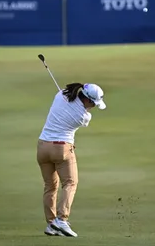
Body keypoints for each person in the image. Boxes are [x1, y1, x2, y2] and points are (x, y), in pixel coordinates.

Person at [37, 82, 106, 237]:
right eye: (93, 104)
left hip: (42, 147)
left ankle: (51, 224)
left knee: (50, 186)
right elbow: (80, 109)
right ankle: (62, 220)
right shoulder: (84, 117)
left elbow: (66, 96)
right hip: (61, 148)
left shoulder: (60, 95)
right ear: (87, 100)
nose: (93, 107)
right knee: (70, 183)